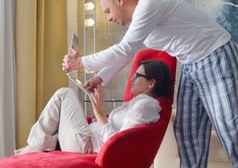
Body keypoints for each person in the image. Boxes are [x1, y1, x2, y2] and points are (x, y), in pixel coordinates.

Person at [62, 0, 238, 168]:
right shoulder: (142, 22)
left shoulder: (149, 4)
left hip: (216, 54)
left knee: (232, 128)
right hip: (192, 64)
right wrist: (99, 78)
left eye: (107, 11)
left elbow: (125, 48)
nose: (109, 18)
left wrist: (81, 62)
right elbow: (127, 54)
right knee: (187, 130)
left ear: (119, 0)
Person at [15, 60, 172, 155]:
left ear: (151, 83)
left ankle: (35, 145)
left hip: (86, 144)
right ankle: (38, 144)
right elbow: (115, 128)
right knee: (64, 99)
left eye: (138, 76)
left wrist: (99, 112)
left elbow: (119, 145)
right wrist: (98, 111)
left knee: (64, 94)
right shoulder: (140, 102)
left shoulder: (144, 106)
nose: (132, 78)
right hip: (87, 137)